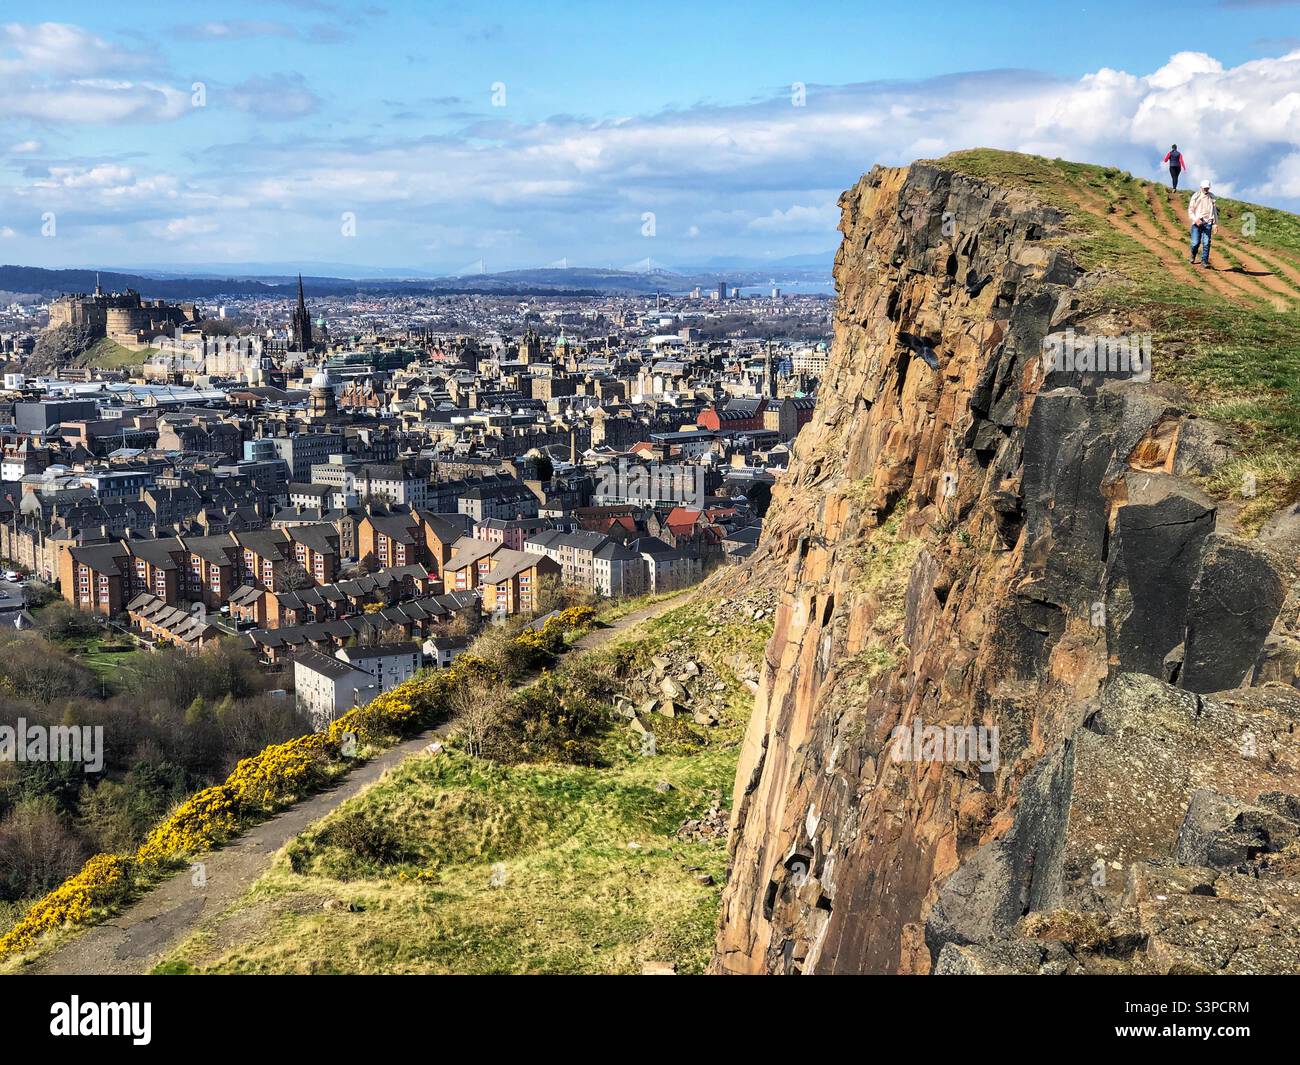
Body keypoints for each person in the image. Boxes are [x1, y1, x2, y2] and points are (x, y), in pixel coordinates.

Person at [1188, 180, 1219, 266]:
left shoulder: (1212, 198)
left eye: (1207, 188)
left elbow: (1214, 212)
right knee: (1195, 243)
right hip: (1196, 223)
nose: (1206, 190)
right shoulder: (1196, 196)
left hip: (1208, 223)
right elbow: (1190, 210)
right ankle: (1193, 255)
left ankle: (1204, 261)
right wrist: (1195, 219)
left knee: (1206, 242)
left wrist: (1215, 224)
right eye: (1205, 188)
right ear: (1201, 187)